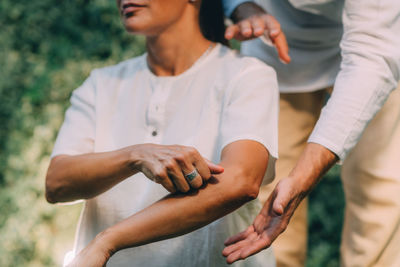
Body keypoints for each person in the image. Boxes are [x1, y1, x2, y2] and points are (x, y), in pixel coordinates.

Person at [45, 0, 280, 266]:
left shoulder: (247, 75)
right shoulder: (101, 84)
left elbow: (241, 181)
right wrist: (134, 156)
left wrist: (107, 242)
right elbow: (57, 183)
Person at [221, 0, 400, 266]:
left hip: (378, 36)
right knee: (267, 192)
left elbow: (371, 56)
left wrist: (303, 178)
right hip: (274, 48)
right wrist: (240, 6)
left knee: (379, 187)